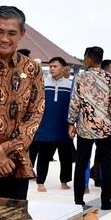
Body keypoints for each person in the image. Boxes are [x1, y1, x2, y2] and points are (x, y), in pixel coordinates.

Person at [0, 5, 44, 200]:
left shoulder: (32, 70)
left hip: (16, 162)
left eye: (12, 33)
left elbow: (35, 115)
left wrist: (6, 149)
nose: (5, 39)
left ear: (22, 34)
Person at [68, 46, 111, 209]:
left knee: (81, 162)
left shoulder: (81, 78)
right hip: (105, 127)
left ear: (89, 59)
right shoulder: (110, 78)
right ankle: (106, 202)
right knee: (106, 164)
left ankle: (78, 200)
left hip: (85, 127)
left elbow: (75, 102)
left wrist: (71, 123)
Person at [32, 57, 73, 192]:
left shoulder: (70, 85)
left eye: (55, 66)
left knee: (65, 157)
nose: (52, 69)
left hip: (63, 126)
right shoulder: (42, 83)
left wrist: (73, 124)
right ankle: (40, 182)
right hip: (45, 125)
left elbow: (74, 106)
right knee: (43, 155)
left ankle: (64, 181)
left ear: (63, 68)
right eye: (50, 66)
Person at [90, 58, 111, 187]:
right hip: (102, 125)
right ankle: (98, 177)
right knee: (103, 154)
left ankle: (95, 174)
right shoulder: (96, 85)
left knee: (104, 154)